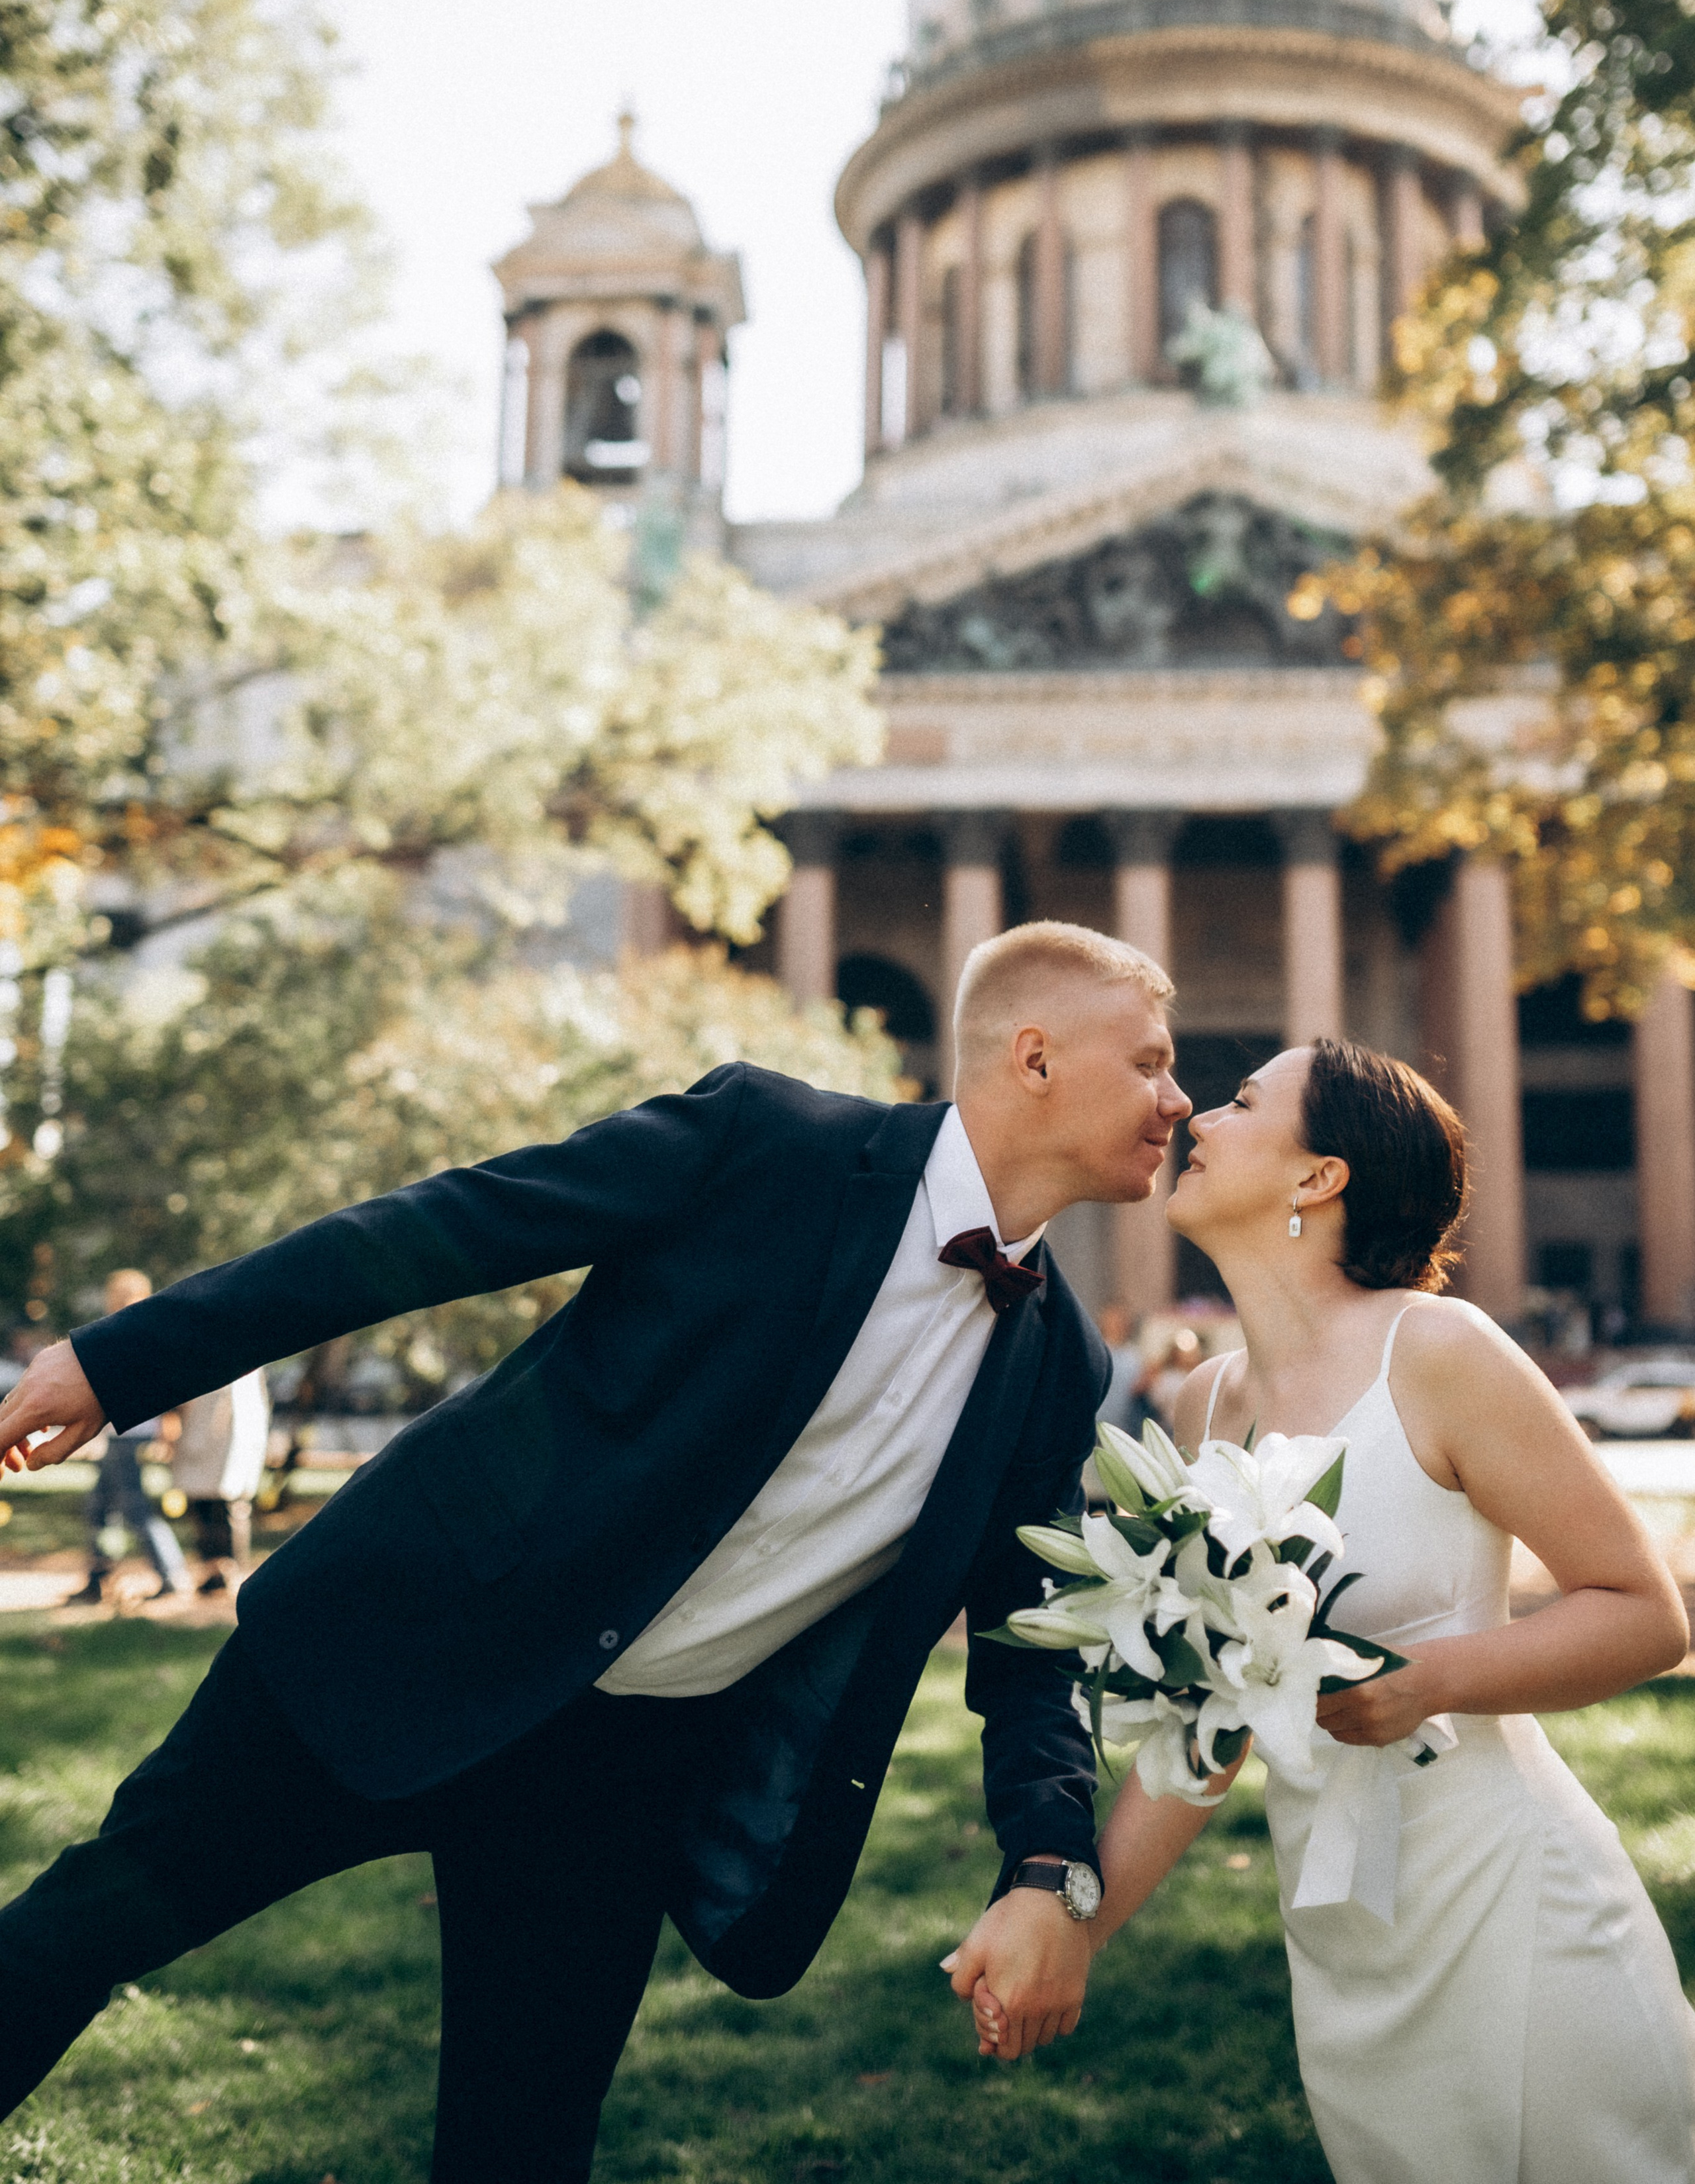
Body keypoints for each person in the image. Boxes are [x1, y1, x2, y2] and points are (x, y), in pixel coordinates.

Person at [0, 920, 1191, 2181]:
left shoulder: (1063, 1359)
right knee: (81, 1932)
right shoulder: (769, 1141)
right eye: (1154, 1062)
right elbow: (442, 1228)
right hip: (416, 1637)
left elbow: (1028, 1642)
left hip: (624, 1768)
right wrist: (124, 1359)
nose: (1180, 1097)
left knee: (524, 2144)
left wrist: (1047, 1863)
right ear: (1036, 1056)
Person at [963, 1037, 1695, 2183]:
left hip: (1506, 1899)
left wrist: (1427, 1682)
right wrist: (1073, 1928)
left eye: (1246, 1101)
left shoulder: (1438, 1349)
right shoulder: (1207, 1404)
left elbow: (1649, 1613)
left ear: (1320, 1177)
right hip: (1342, 1933)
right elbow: (1207, 1729)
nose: (1201, 1116)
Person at [65, 1270, 192, 1609]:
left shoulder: (144, 1326)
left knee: (135, 1509)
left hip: (135, 1434)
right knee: (100, 1508)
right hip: (120, 1434)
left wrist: (169, 1423)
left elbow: (168, 1382)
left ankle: (171, 1575)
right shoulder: (125, 1325)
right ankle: (99, 1578)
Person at [171, 1369, 271, 1594]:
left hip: (229, 1440)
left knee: (229, 1509)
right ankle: (213, 1570)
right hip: (203, 1438)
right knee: (204, 1507)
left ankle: (229, 1570)